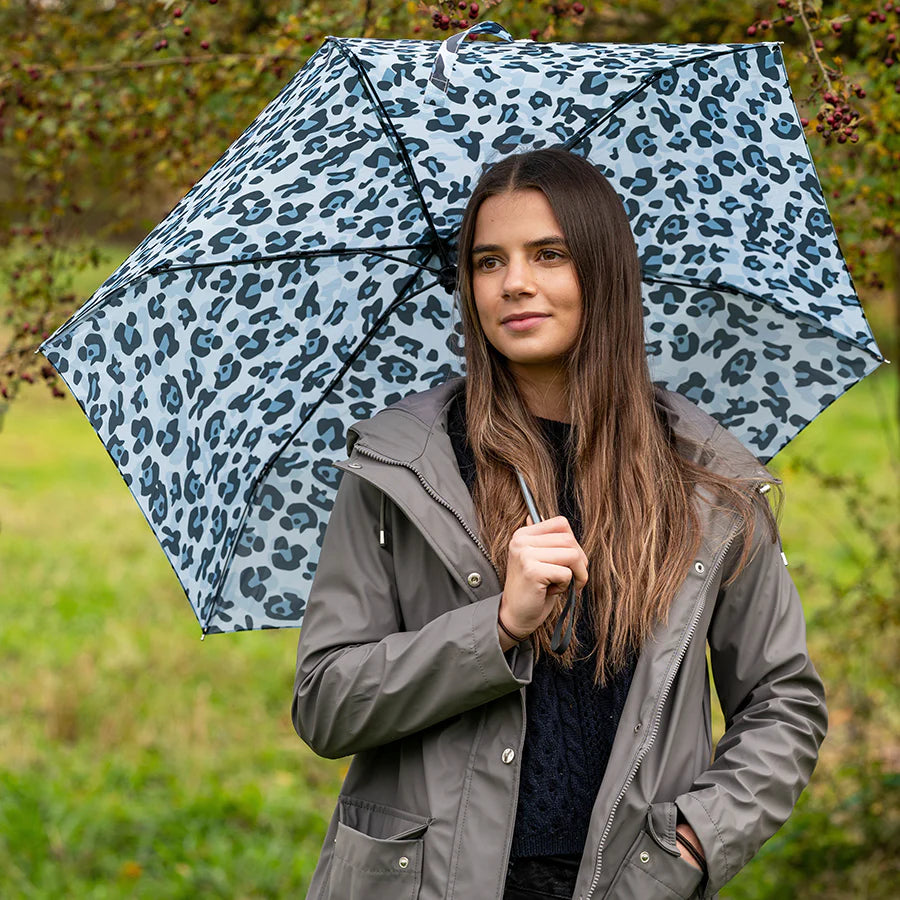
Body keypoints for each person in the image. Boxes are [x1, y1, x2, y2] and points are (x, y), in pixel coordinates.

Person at [291, 146, 827, 900]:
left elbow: (783, 700)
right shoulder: (401, 468)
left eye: (550, 254)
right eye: (486, 262)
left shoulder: (707, 482)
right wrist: (498, 627)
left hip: (629, 883)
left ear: (603, 271)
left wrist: (700, 839)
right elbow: (326, 701)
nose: (515, 283)